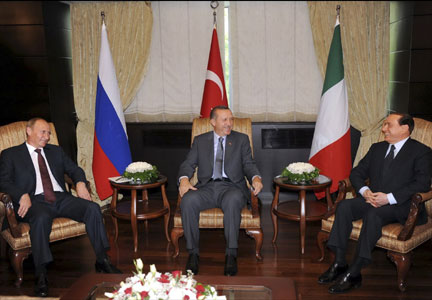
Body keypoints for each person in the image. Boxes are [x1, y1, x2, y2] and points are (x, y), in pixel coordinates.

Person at [0, 118, 121, 297]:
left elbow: (75, 170)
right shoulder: (11, 154)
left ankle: (102, 259)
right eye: (43, 132)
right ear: (28, 131)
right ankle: (41, 274)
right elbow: (3, 181)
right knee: (40, 219)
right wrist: (21, 194)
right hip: (34, 202)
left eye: (49, 133)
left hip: (61, 198)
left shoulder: (55, 151)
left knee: (93, 208)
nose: (47, 136)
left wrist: (80, 182)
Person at [318, 113, 432, 294]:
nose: (384, 129)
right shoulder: (377, 148)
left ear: (404, 129)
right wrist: (365, 191)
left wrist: (389, 198)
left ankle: (355, 271)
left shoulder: (421, 152)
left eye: (388, 125)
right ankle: (339, 262)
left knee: (374, 214)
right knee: (345, 206)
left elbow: (422, 184)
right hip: (372, 199)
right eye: (384, 125)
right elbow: (356, 173)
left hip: (401, 205)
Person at [178, 106, 263, 276]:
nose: (229, 123)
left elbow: (249, 164)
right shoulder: (200, 140)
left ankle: (231, 254)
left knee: (232, 201)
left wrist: (255, 178)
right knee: (188, 201)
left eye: (231, 119)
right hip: (207, 187)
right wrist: (185, 179)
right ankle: (193, 253)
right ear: (213, 122)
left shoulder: (241, 139)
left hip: (232, 187)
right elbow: (188, 164)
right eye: (224, 120)